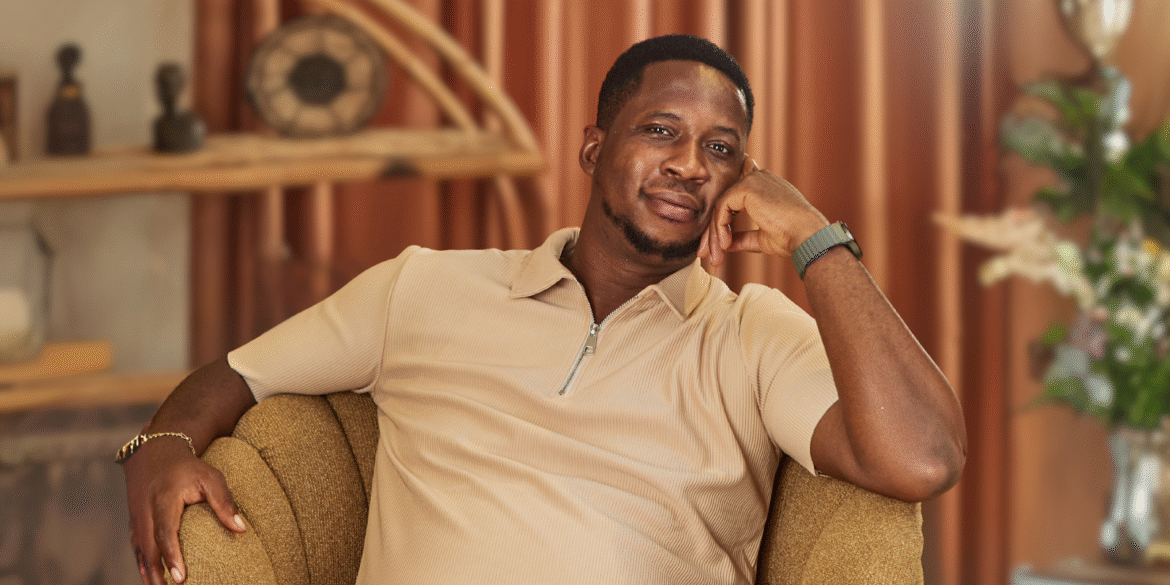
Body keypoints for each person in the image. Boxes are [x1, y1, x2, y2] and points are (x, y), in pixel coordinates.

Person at [121, 34, 965, 585]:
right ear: (595, 149)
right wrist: (157, 446)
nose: (688, 165)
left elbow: (923, 458)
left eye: (720, 149)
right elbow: (236, 372)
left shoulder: (753, 335)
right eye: (660, 131)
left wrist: (818, 241)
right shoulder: (422, 289)